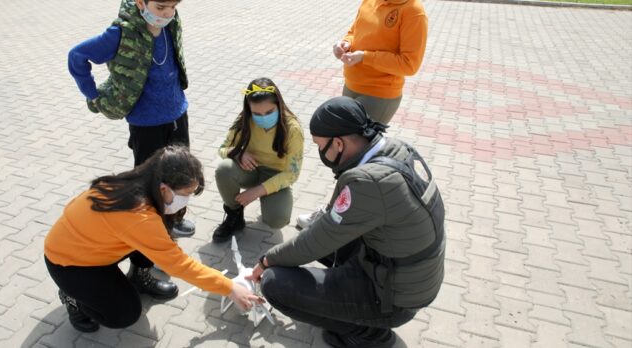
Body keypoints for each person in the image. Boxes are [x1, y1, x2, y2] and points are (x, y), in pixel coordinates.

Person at [247, 97, 445, 348]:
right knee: (324, 234)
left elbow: (316, 242)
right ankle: (346, 298)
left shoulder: (368, 183)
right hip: (408, 272)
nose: (321, 153)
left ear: (339, 143)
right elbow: (329, 225)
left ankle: (369, 335)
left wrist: (266, 260)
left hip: (395, 298)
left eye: (321, 146)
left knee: (274, 283)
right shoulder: (395, 149)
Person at [44, 146, 261, 332]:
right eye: (185, 193)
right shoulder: (138, 217)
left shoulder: (133, 185)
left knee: (158, 237)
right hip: (69, 263)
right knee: (124, 314)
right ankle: (73, 298)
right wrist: (230, 287)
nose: (185, 200)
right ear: (164, 188)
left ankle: (137, 276)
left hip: (91, 246)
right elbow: (179, 265)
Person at [67, 0, 196, 238]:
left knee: (181, 174)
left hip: (178, 112)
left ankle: (174, 219)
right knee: (151, 180)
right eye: (160, 8)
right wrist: (92, 94)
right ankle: (150, 234)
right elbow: (77, 56)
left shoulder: (171, 23)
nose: (167, 13)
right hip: (146, 122)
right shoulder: (121, 32)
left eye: (172, 7)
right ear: (140, 3)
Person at [212, 78, 304, 243]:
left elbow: (292, 174)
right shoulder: (244, 121)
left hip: (276, 175)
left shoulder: (293, 129)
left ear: (279, 105)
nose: (263, 118)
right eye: (257, 114)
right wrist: (237, 153)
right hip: (250, 170)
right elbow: (222, 149)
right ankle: (234, 215)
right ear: (249, 110)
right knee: (224, 169)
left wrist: (258, 191)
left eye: (269, 112)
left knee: (277, 220)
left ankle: (269, 200)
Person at [332, 0, 428, 125]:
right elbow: (355, 31)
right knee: (341, 140)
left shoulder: (413, 11)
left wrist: (365, 57)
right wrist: (346, 43)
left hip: (379, 94)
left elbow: (409, 64)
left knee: (355, 142)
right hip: (351, 84)